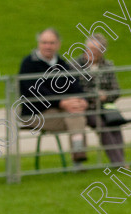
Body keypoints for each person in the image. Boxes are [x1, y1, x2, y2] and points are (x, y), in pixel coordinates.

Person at [19, 28, 88, 167]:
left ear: (58, 44)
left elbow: (74, 85)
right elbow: (35, 92)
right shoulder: (28, 64)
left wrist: (81, 100)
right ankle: (78, 158)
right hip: (35, 113)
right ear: (39, 43)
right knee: (76, 116)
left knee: (75, 113)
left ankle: (78, 158)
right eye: (44, 42)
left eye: (51, 43)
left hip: (59, 111)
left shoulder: (62, 63)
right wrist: (62, 102)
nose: (48, 46)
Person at [74, 34, 125, 166]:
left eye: (96, 50)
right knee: (102, 126)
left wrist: (106, 96)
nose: (91, 53)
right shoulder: (75, 65)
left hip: (105, 106)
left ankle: (121, 159)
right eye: (89, 49)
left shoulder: (107, 65)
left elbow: (116, 90)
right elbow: (75, 91)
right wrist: (95, 95)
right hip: (87, 108)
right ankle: (119, 163)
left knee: (115, 124)